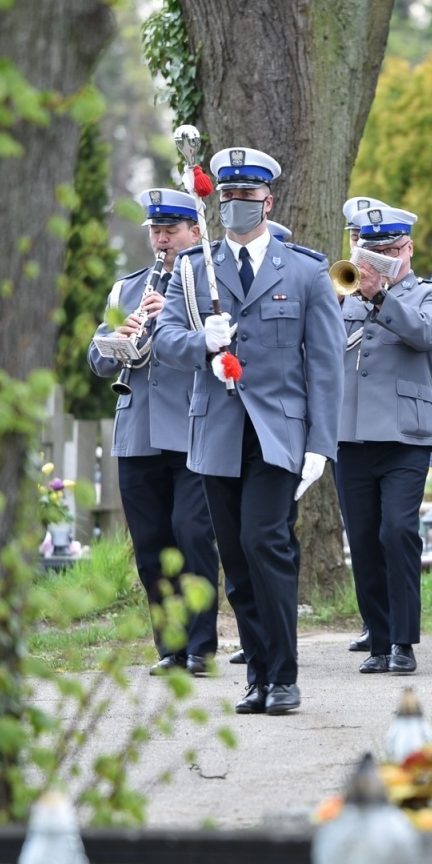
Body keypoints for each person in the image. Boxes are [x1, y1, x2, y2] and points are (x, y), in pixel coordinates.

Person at [153, 146, 343, 717]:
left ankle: (284, 675)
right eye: (228, 196)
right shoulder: (193, 270)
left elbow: (326, 364)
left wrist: (321, 444)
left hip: (278, 434)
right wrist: (202, 345)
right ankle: (256, 674)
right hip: (216, 431)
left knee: (268, 544)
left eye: (247, 197)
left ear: (269, 201)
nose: (237, 206)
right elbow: (163, 340)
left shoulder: (305, 271)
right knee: (235, 561)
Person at [87, 188, 221, 675]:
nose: (161, 240)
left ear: (195, 232)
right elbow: (98, 359)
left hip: (191, 428)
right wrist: (114, 341)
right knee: (151, 545)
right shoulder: (128, 290)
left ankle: (202, 645)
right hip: (138, 432)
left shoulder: (209, 286)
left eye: (171, 230)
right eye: (156, 231)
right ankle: (171, 646)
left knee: (192, 535)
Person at [335, 205, 432, 674]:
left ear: (408, 249)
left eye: (388, 251)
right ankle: (378, 641)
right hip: (351, 434)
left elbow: (429, 336)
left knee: (397, 532)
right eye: (371, 251)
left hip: (406, 434)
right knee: (362, 539)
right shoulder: (342, 292)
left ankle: (404, 641)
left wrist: (381, 298)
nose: (380, 259)